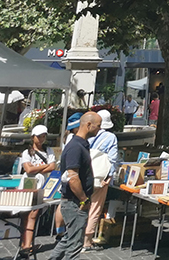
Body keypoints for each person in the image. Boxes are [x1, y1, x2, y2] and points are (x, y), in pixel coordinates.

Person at [50, 111, 101, 260]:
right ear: (88, 125)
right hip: (75, 202)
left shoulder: (80, 145)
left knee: (69, 239)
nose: (99, 129)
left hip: (74, 202)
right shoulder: (75, 147)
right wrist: (83, 199)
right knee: (74, 244)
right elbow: (73, 178)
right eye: (98, 126)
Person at [17, 124, 57, 258]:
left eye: (43, 136)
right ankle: (25, 243)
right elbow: (28, 170)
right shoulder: (26, 152)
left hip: (41, 182)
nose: (41, 139)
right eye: (39, 136)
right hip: (28, 182)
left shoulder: (49, 150)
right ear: (33, 137)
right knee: (25, 213)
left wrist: (37, 167)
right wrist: (45, 166)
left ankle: (28, 244)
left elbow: (53, 167)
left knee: (34, 213)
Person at [84, 110, 119, 250]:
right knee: (95, 208)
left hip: (84, 175)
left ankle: (76, 235)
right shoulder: (111, 137)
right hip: (99, 177)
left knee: (82, 206)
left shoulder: (87, 134)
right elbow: (112, 158)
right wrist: (109, 176)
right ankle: (87, 241)